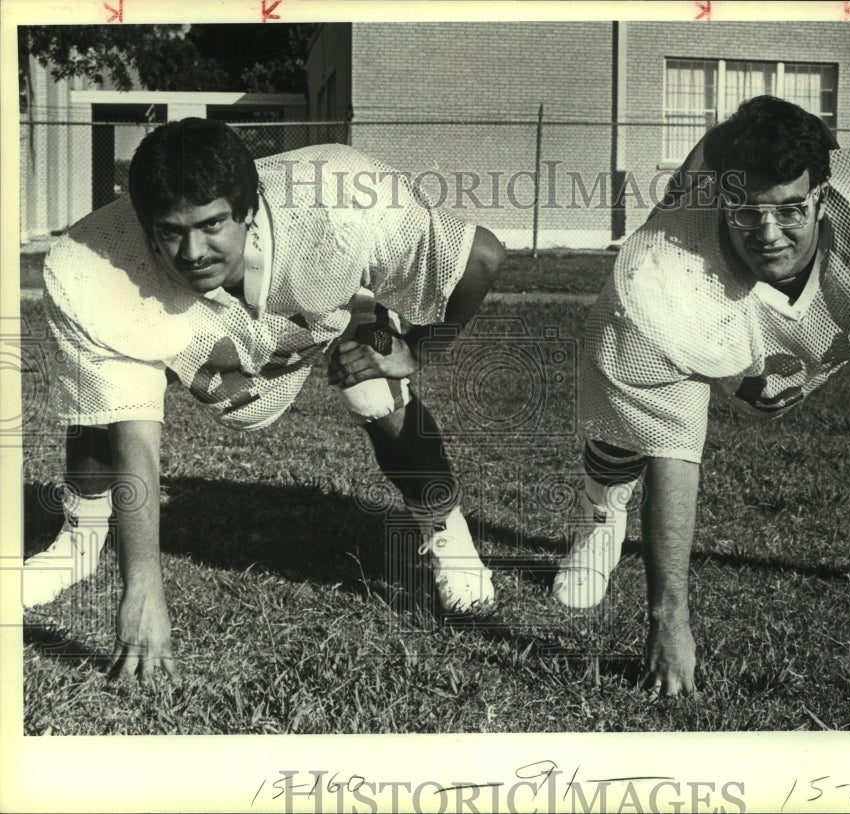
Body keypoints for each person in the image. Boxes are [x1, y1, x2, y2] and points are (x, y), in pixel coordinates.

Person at [23, 118, 506, 678]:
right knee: (100, 399)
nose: (193, 251)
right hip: (200, 346)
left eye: (211, 225)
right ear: (145, 225)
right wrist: (144, 588)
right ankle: (80, 541)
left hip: (325, 315)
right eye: (171, 231)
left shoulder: (342, 201)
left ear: (249, 211)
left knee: (376, 385)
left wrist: (416, 351)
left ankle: (447, 535)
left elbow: (483, 258)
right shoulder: (89, 262)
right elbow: (135, 437)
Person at [552, 96, 850, 695]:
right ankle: (602, 519)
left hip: (845, 286)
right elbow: (675, 452)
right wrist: (668, 617)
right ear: (720, 198)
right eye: (745, 213)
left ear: (824, 195)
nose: (769, 234)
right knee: (631, 427)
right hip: (715, 301)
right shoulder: (664, 274)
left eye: (790, 210)